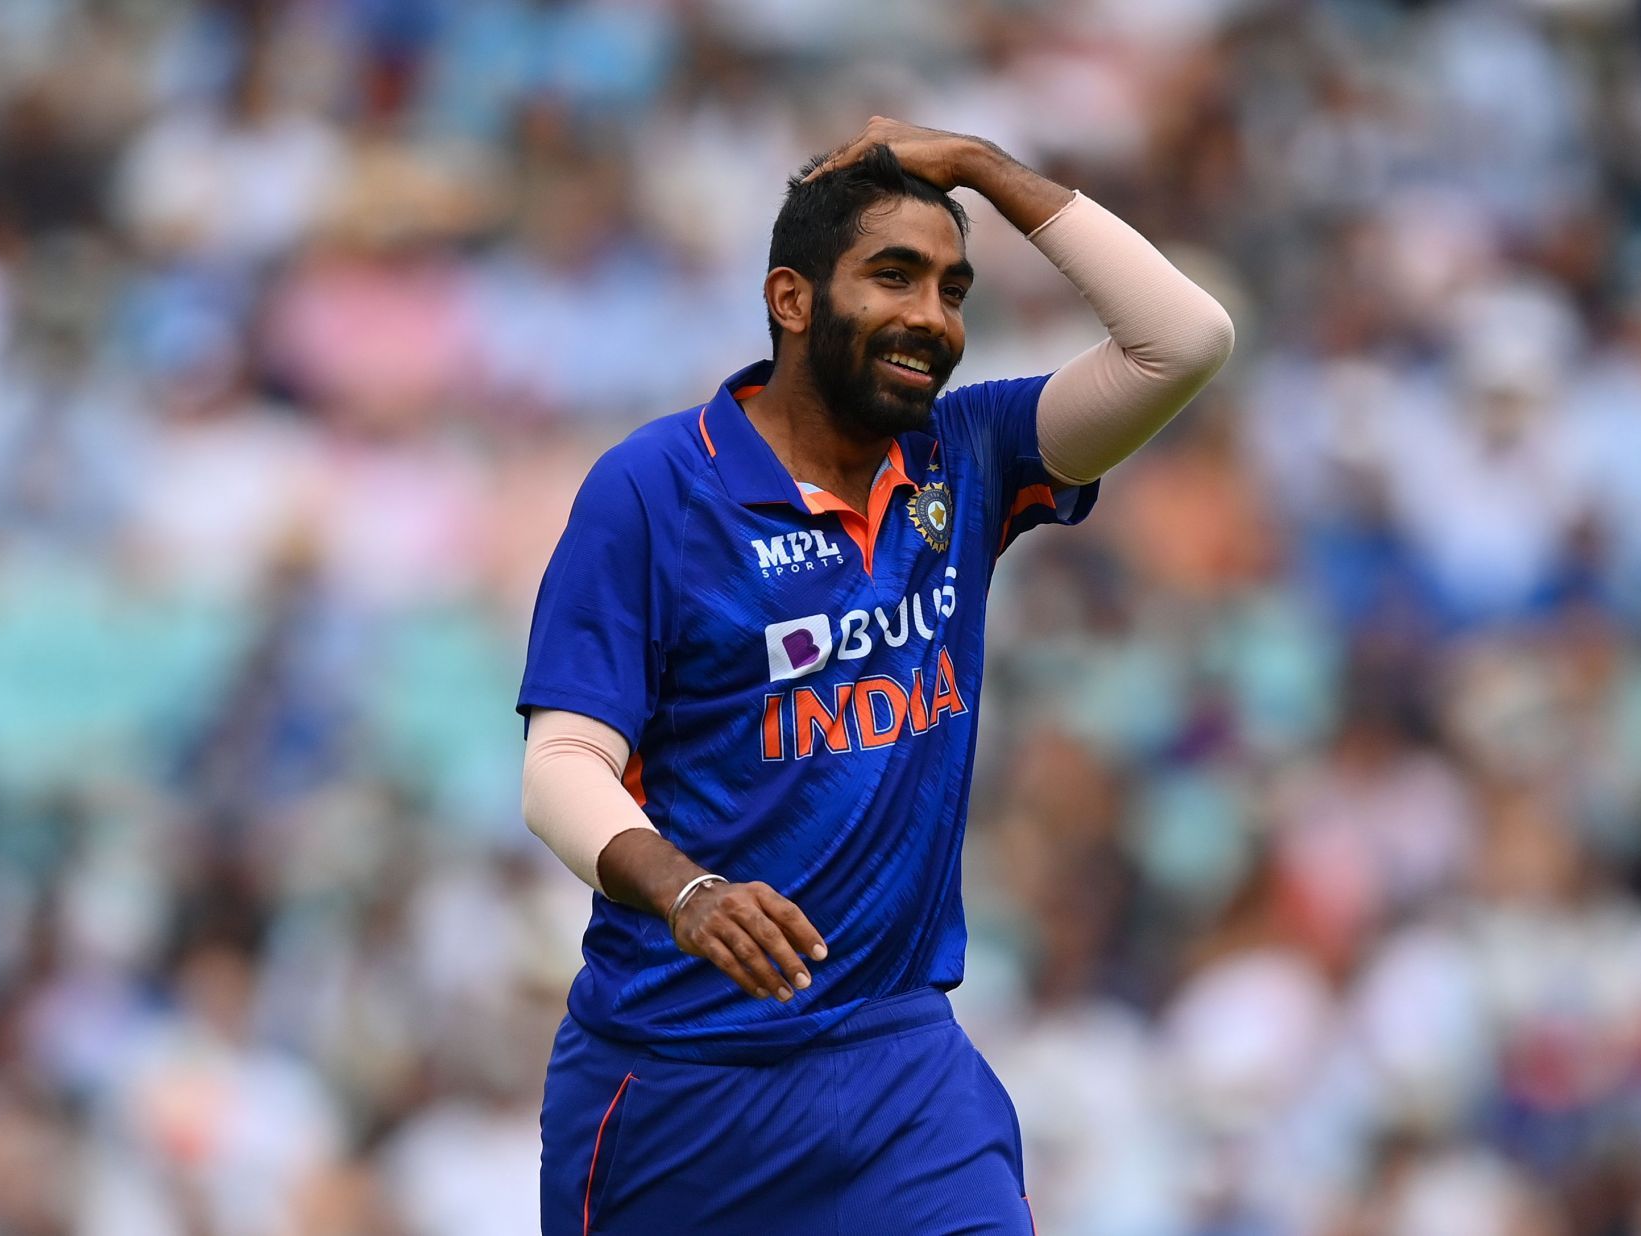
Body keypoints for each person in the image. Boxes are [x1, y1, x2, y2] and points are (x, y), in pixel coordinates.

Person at [518, 118, 1234, 1235]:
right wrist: (690, 891)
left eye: (953, 289)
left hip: (901, 1067)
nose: (931, 318)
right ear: (792, 299)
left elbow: (1182, 341)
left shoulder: (967, 453)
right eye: (894, 276)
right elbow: (561, 766)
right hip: (681, 1078)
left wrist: (990, 173)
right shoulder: (654, 490)